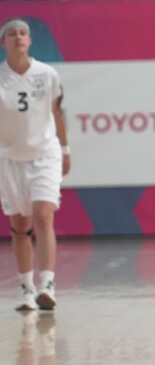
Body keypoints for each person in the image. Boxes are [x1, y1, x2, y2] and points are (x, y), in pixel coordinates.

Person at [0, 18, 71, 312]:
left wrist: (65, 149)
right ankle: (27, 288)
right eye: (12, 33)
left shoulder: (47, 73)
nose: (18, 37)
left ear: (29, 41)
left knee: (43, 215)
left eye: (23, 33)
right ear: (3, 42)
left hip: (45, 152)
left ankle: (48, 285)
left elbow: (56, 112)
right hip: (9, 157)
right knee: (20, 225)